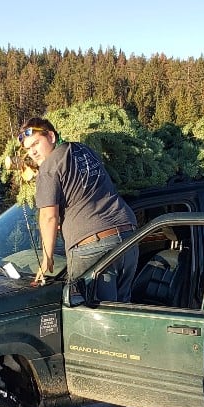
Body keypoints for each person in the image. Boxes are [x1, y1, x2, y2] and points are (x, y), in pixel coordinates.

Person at [18, 117, 138, 302]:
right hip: (128, 237)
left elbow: (49, 216)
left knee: (93, 316)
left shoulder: (49, 168)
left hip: (93, 247)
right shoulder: (84, 150)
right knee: (122, 312)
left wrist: (47, 258)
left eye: (36, 143)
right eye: (28, 148)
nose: (33, 152)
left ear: (50, 136)